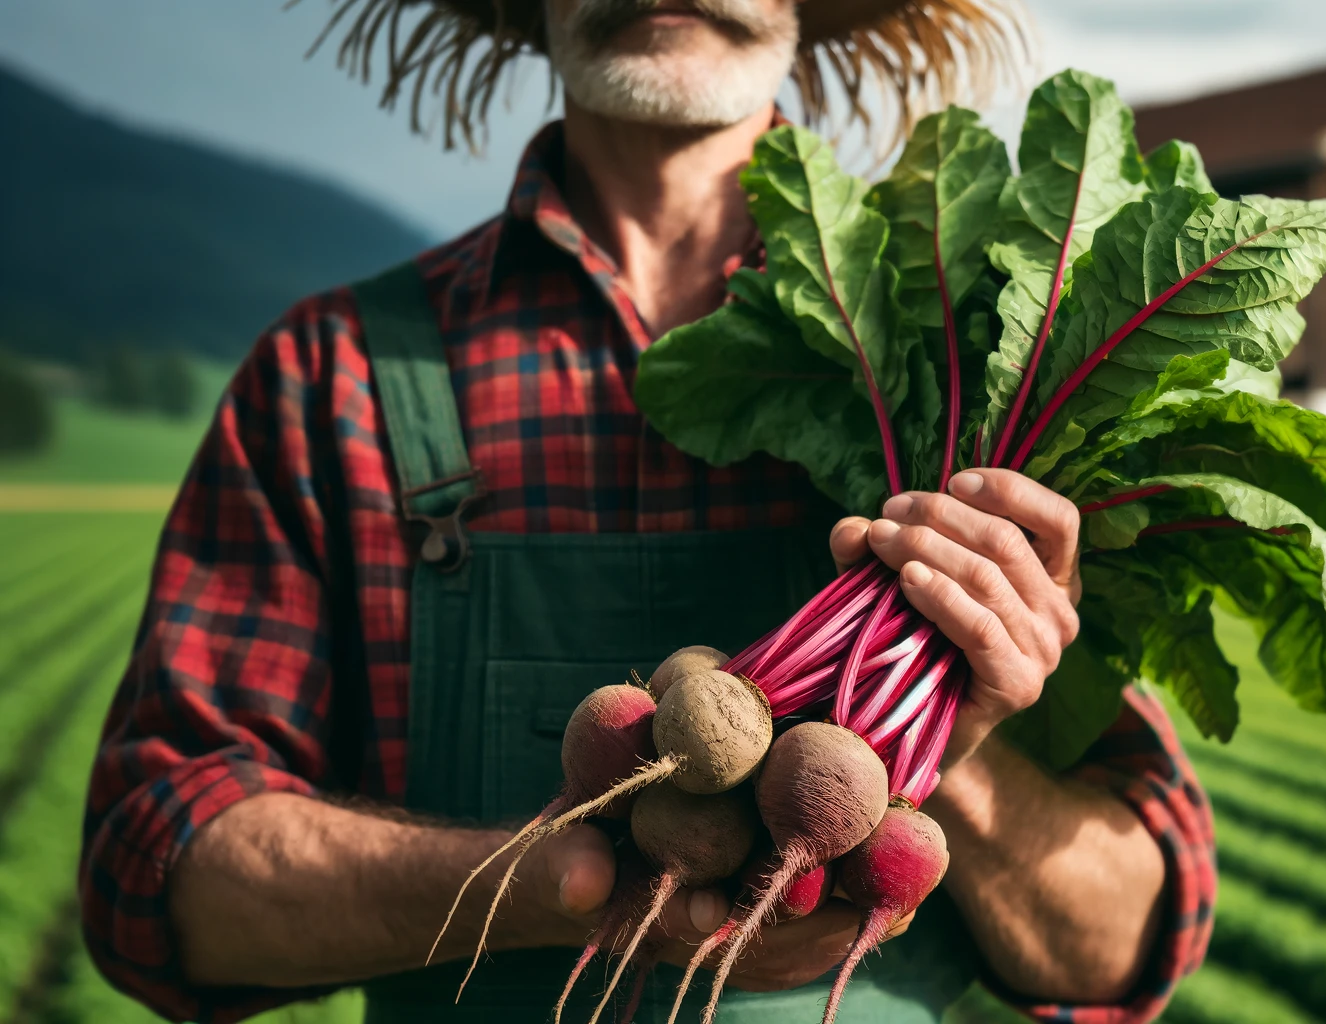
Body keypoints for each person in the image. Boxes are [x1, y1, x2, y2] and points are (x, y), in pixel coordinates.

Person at [77, 1, 1217, 1021]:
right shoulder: (336, 374)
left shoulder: (972, 376)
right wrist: (550, 888)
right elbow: (152, 872)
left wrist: (957, 735)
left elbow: (1124, 942)